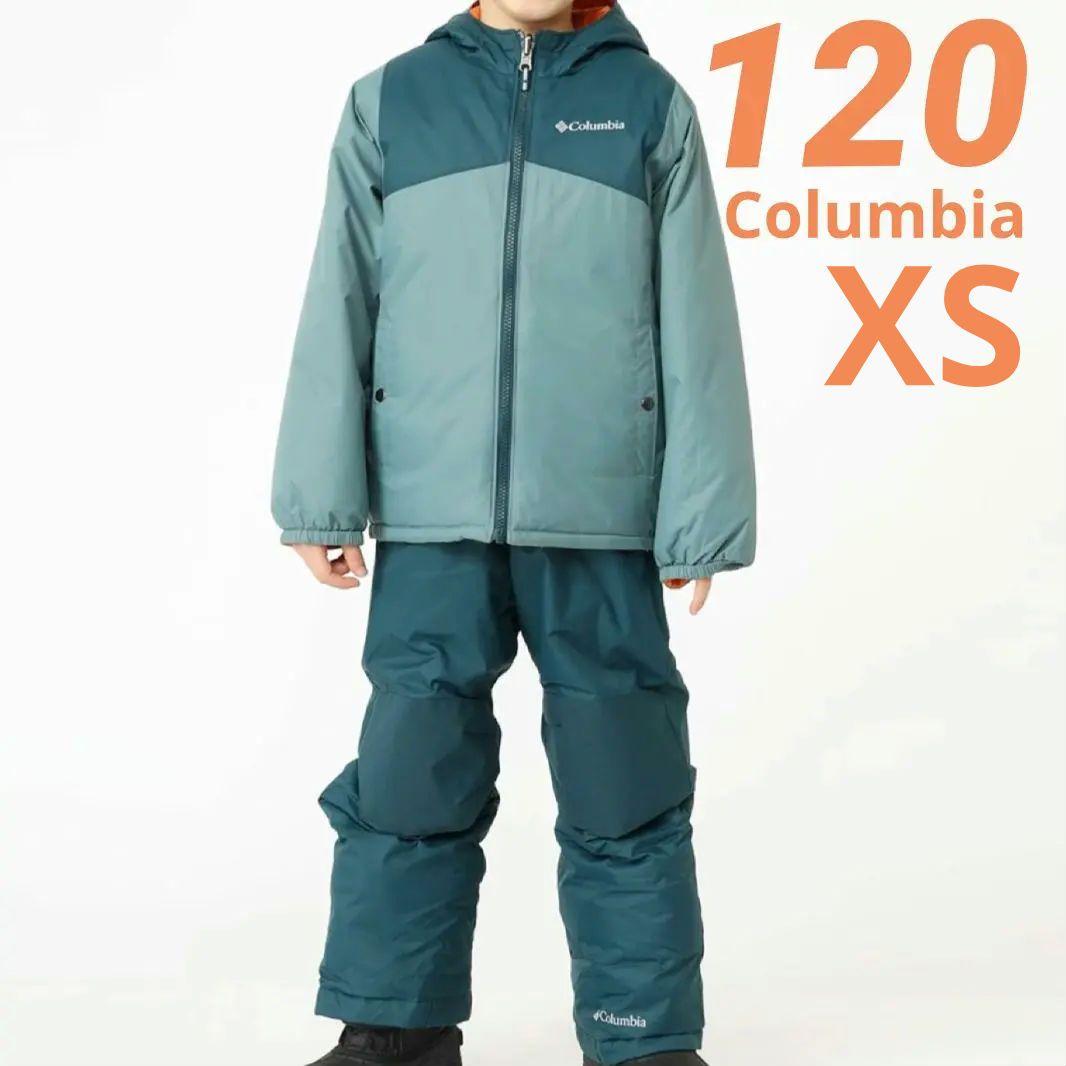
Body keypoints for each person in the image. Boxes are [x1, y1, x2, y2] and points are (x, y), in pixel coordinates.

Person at [272, 0, 756, 1062]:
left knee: (624, 779)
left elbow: (697, 315)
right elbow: (341, 291)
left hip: (600, 512)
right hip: (431, 509)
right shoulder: (394, 102)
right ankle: (396, 1030)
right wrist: (318, 491)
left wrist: (701, 515)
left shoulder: (648, 104)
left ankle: (643, 1039)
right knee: (408, 774)